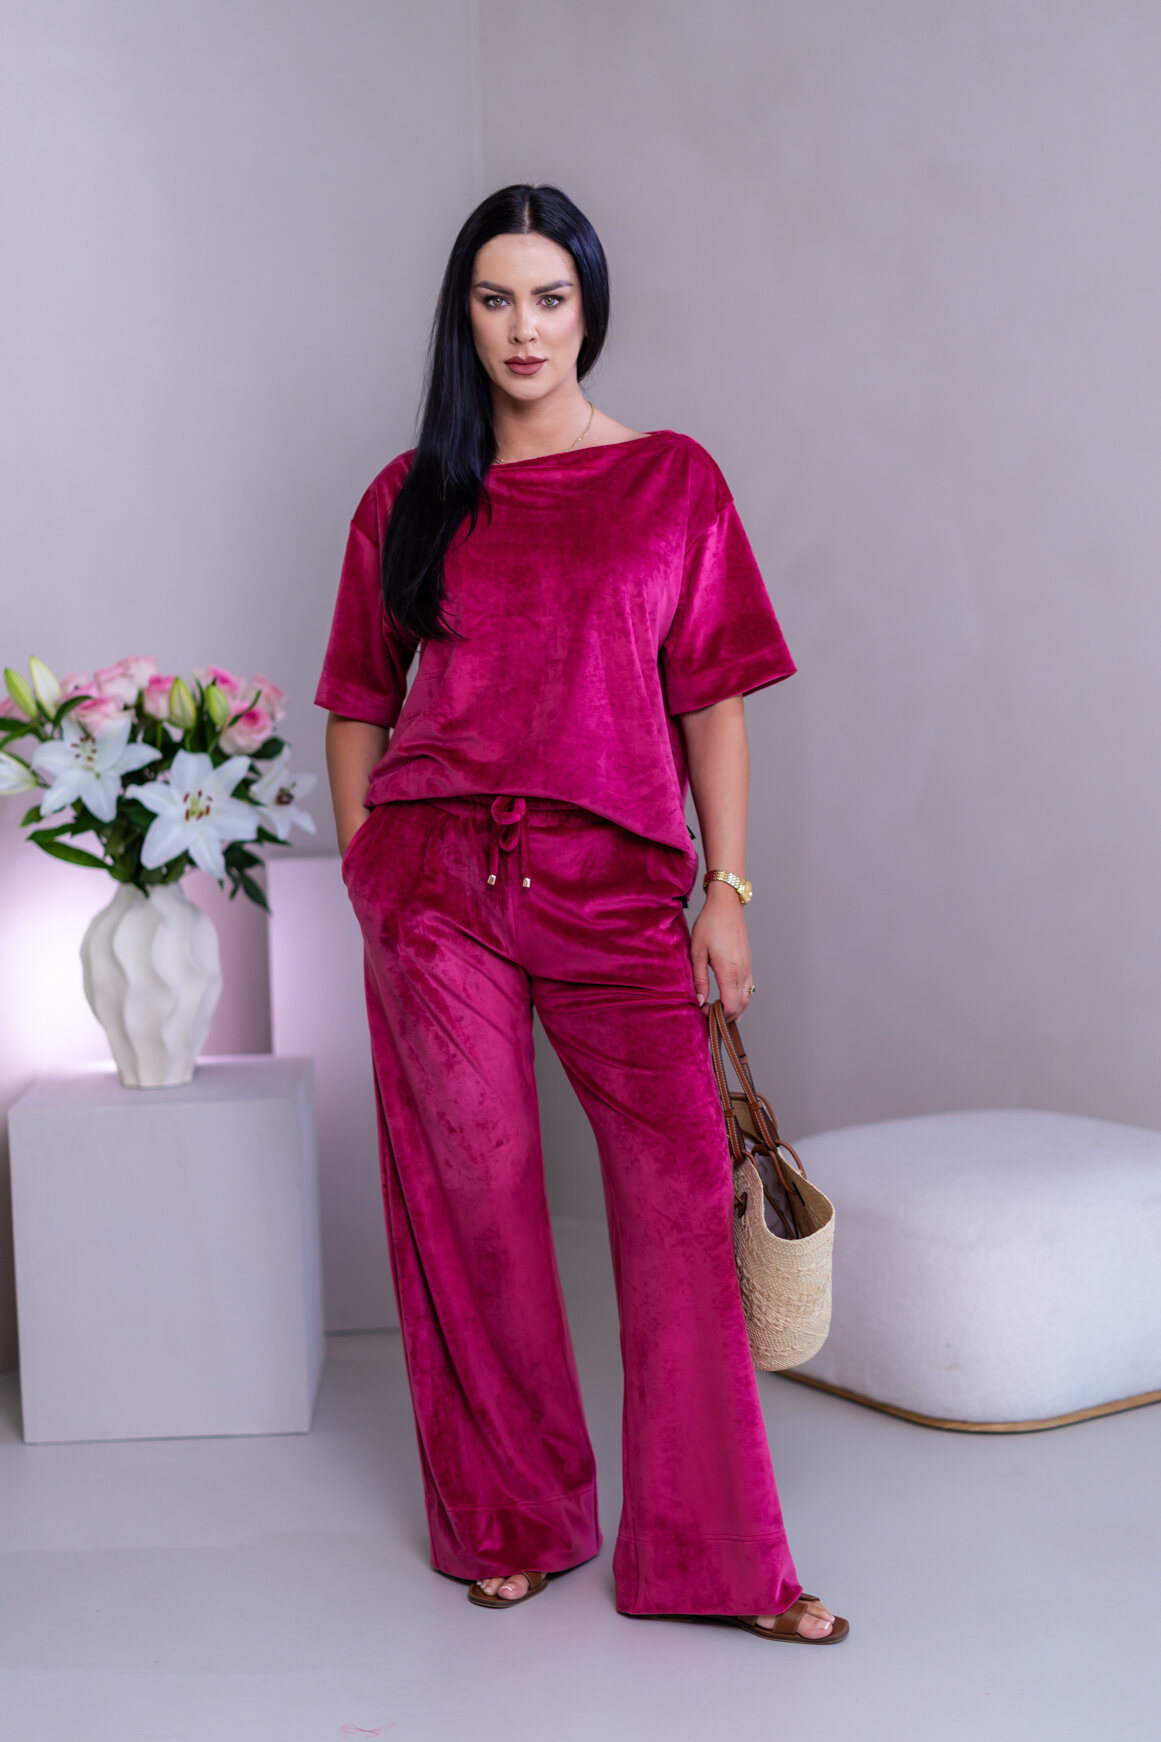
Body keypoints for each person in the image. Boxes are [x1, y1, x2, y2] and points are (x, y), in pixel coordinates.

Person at [316, 183, 847, 1645]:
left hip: (615, 886)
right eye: (495, 299)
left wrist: (725, 890)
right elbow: (358, 702)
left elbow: (715, 703)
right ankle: (515, 1521)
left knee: (678, 1214)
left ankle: (715, 1563)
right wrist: (371, 874)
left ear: (588, 308)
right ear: (464, 316)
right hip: (437, 891)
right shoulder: (408, 496)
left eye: (549, 298)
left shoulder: (671, 480)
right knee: (479, 1208)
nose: (524, 328)